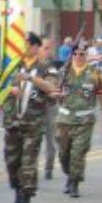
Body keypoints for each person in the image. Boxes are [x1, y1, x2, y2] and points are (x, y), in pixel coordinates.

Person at [1, 32, 58, 203]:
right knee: (12, 160)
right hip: (12, 121)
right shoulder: (12, 66)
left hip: (33, 122)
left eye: (26, 44)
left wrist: (31, 79)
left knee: (28, 161)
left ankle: (26, 197)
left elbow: (51, 88)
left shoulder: (45, 68)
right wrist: (10, 89)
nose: (23, 47)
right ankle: (17, 190)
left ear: (35, 46)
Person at [55, 38, 102, 197]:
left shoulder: (95, 74)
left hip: (84, 120)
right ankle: (70, 174)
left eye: (82, 54)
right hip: (64, 119)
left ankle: (74, 182)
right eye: (76, 54)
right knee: (64, 154)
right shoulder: (63, 72)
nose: (79, 56)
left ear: (87, 55)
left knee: (78, 153)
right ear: (72, 55)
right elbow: (53, 91)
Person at [39, 38, 59, 179]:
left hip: (48, 107)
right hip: (33, 108)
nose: (48, 51)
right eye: (45, 48)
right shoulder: (32, 66)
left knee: (50, 140)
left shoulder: (51, 68)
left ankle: (49, 166)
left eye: (49, 48)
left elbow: (50, 85)